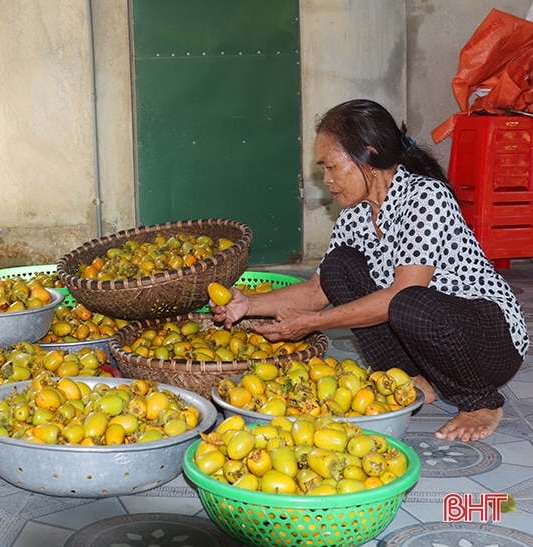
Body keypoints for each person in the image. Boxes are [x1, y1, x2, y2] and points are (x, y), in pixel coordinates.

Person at [211, 99, 529, 442]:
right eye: (324, 171)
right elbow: (317, 291)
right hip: (429, 338)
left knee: (409, 302)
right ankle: (414, 379)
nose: (327, 180)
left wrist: (313, 323)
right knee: (339, 267)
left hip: (488, 340)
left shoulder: (425, 196)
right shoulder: (355, 215)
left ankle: (482, 402)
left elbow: (399, 296)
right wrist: (249, 304)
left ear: (368, 154)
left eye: (331, 167)